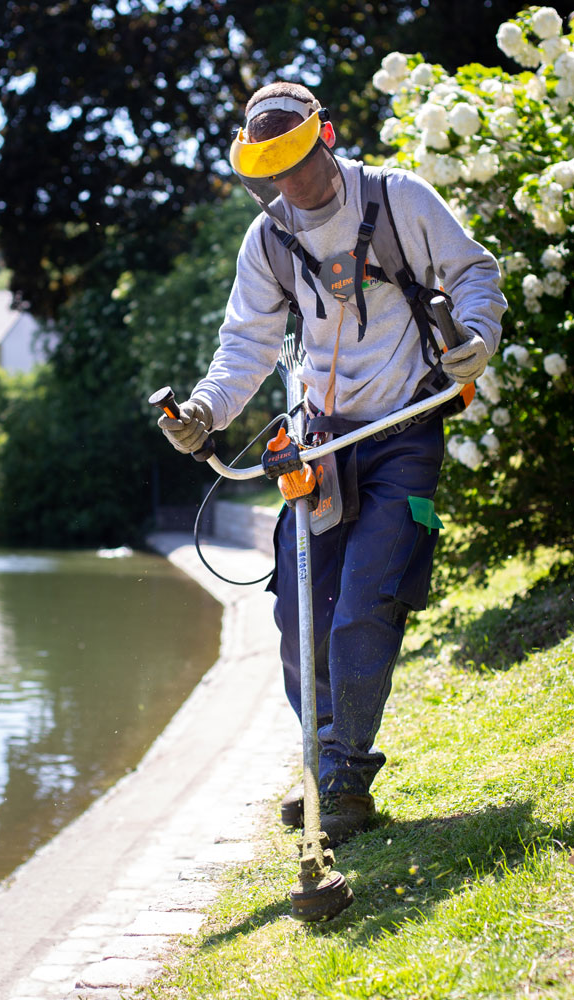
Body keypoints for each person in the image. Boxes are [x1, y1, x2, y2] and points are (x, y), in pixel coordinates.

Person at [158, 81, 507, 846]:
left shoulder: (396, 200)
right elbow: (244, 347)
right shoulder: (269, 239)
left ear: (328, 134)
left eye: (298, 160)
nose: (291, 182)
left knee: (364, 605)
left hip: (405, 429)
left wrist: (478, 333)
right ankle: (325, 755)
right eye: (272, 168)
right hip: (318, 445)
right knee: (297, 616)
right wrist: (206, 414)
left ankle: (346, 771)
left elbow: (474, 273)